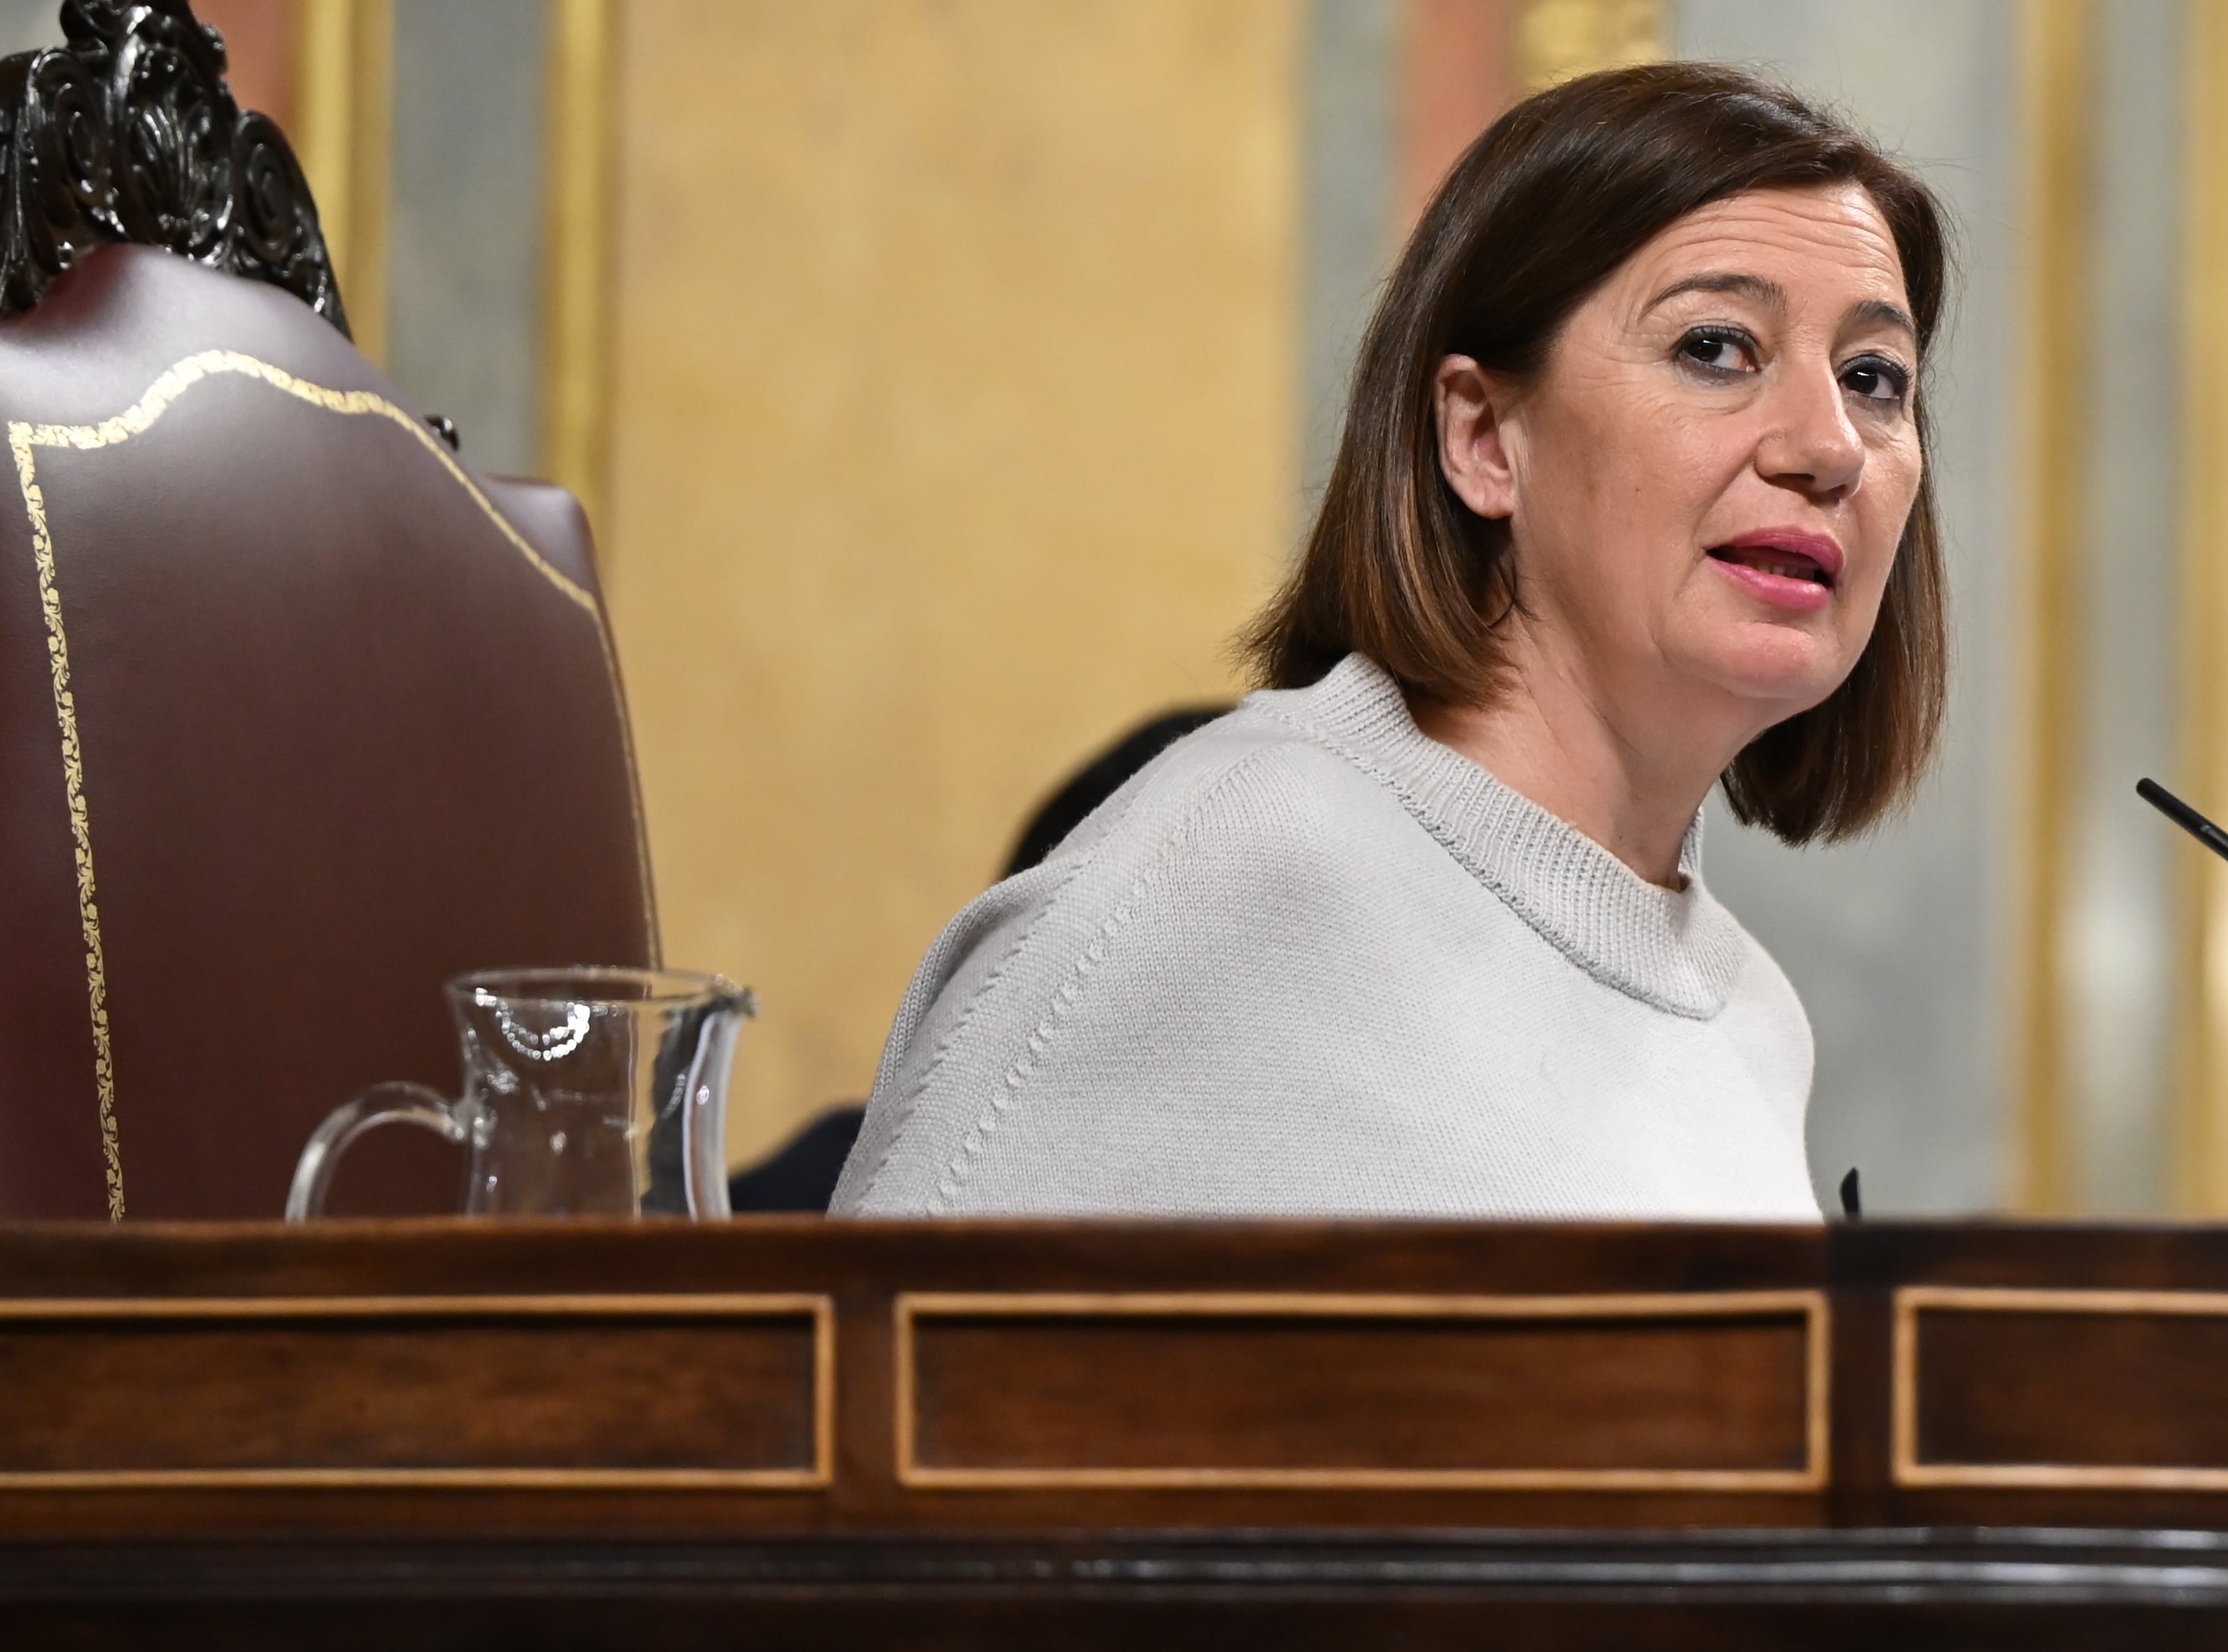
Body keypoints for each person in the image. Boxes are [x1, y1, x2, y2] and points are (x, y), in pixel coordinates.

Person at [831, 64, 1946, 1218]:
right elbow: (876, 1385)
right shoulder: (1240, 876)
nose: (1829, 444)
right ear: (1481, 438)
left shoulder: (1755, 1018)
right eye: (1717, 347)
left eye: (1875, 378)